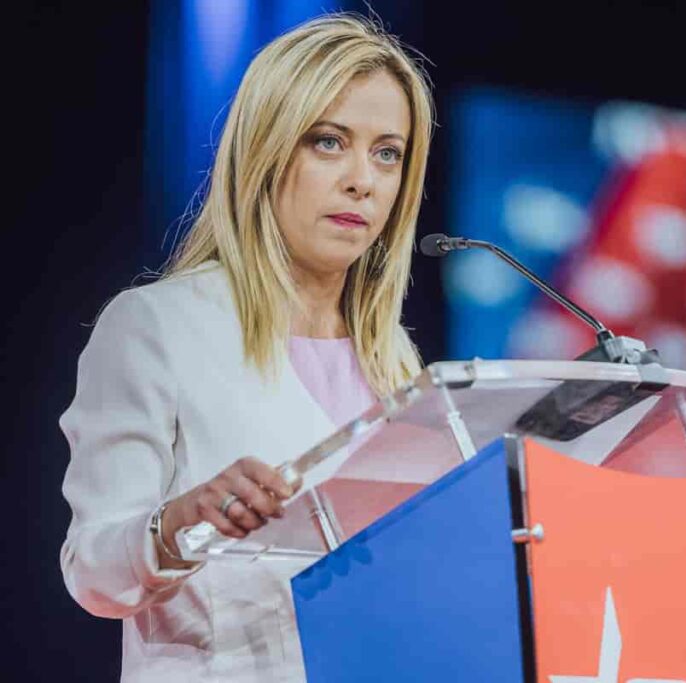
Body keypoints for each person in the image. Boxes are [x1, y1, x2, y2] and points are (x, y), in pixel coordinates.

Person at [59, 13, 433, 681]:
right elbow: (92, 571)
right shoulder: (156, 327)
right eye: (328, 142)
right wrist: (178, 523)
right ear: (265, 150)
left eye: (387, 153)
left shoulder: (398, 361)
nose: (362, 180)